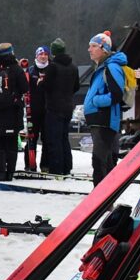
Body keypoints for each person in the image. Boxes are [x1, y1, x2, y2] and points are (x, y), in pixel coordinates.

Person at [84, 32, 126, 186]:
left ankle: (102, 202)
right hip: (99, 121)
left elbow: (116, 95)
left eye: (94, 46)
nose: (89, 49)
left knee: (101, 162)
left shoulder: (111, 67)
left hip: (104, 121)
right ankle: (103, 201)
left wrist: (95, 100)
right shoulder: (103, 67)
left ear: (104, 49)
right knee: (102, 162)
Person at [0, 43, 27, 181]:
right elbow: (24, 87)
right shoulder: (16, 68)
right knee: (11, 143)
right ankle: (10, 173)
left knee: (0, 143)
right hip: (13, 111)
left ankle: (0, 172)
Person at [44, 38, 79, 176]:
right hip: (68, 106)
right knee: (64, 138)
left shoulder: (53, 66)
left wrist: (41, 82)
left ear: (53, 52)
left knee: (54, 139)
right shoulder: (73, 67)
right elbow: (76, 86)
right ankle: (67, 166)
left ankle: (56, 169)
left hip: (54, 107)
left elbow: (47, 86)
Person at [24, 47, 51, 172]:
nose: (43, 56)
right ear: (36, 56)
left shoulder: (51, 69)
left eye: (46, 54)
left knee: (47, 138)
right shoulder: (30, 70)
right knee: (31, 138)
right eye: (41, 54)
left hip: (47, 109)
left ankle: (45, 165)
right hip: (33, 110)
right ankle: (30, 163)